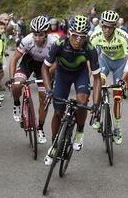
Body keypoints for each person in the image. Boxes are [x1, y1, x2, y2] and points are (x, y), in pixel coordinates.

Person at [41, 15, 101, 165]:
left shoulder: (90, 49)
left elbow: (97, 78)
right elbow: (45, 67)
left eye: (82, 37)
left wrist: (96, 103)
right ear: (69, 34)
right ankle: (54, 145)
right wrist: (48, 91)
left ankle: (80, 132)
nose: (78, 40)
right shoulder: (59, 44)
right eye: (75, 36)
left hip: (80, 75)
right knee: (58, 111)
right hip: (62, 75)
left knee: (81, 102)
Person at [8, 16, 58, 144]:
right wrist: (12, 79)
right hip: (29, 63)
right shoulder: (27, 40)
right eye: (35, 35)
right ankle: (16, 103)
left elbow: (57, 63)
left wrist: (45, 74)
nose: (37, 38)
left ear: (46, 33)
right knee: (17, 85)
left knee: (44, 98)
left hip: (46, 67)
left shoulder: (54, 42)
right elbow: (14, 59)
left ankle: (40, 127)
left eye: (40, 35)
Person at [89, 10, 128, 145]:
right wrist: (87, 77)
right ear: (101, 24)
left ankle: (117, 128)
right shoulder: (95, 35)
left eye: (110, 27)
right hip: (105, 61)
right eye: (104, 26)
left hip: (120, 63)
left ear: (115, 27)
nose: (107, 29)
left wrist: (122, 79)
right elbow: (90, 59)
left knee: (117, 97)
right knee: (99, 82)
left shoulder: (123, 36)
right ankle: (96, 113)